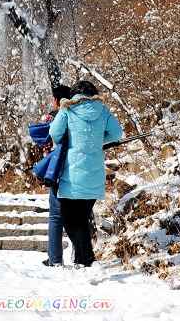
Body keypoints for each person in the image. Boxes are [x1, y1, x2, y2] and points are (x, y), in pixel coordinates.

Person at [48, 80, 123, 267]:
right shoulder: (103, 110)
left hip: (72, 175)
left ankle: (87, 259)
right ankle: (83, 260)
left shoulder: (67, 109)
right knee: (81, 219)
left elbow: (55, 134)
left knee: (69, 220)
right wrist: (98, 141)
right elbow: (116, 134)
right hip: (95, 175)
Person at [43, 84, 72, 266]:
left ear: (56, 100)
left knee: (55, 216)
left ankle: (55, 259)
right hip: (77, 169)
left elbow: (45, 142)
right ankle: (80, 258)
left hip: (58, 170)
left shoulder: (53, 117)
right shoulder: (77, 116)